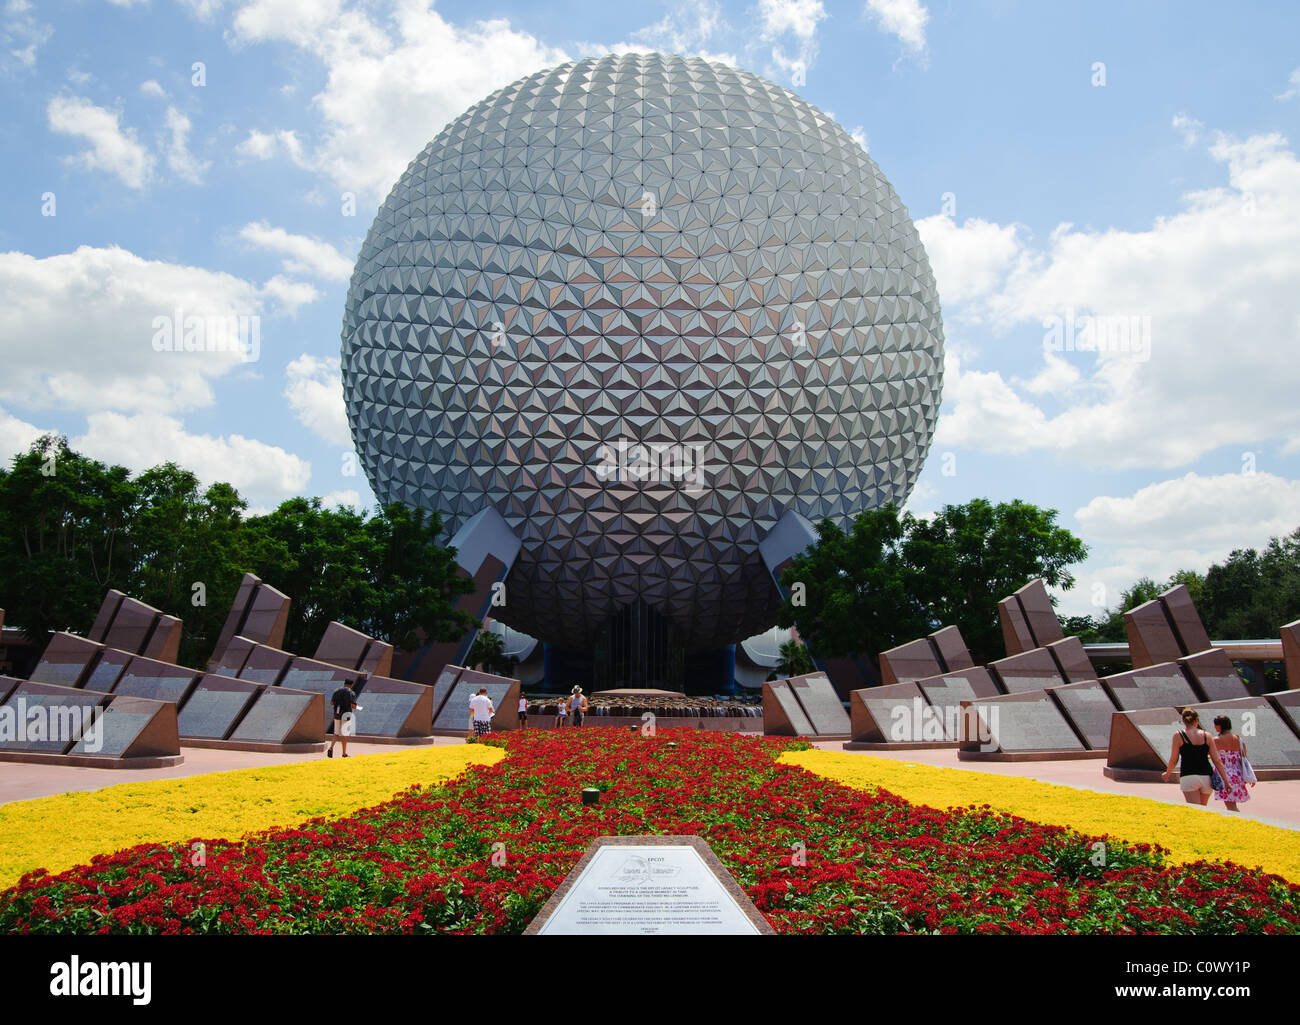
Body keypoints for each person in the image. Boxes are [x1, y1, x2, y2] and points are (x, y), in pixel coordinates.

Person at [1162, 708, 1230, 805]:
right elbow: (1217, 760)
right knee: (1203, 808)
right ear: (1196, 720)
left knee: (1195, 809)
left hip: (1188, 775)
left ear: (1183, 720)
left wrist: (1168, 773)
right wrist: (1226, 781)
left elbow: (1174, 759)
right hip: (1207, 776)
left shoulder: (1178, 735)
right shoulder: (1207, 735)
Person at [1211, 714, 1254, 811]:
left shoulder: (1216, 740)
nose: (1214, 727)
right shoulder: (1239, 740)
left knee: (1231, 806)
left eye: (1215, 725)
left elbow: (1211, 755)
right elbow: (1244, 758)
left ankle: (1240, 822)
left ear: (1219, 726)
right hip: (1237, 774)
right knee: (1231, 803)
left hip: (1224, 774)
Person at [327, 679, 361, 758]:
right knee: (344, 734)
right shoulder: (351, 693)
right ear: (351, 685)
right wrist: (359, 708)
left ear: (344, 683)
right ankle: (344, 753)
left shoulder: (336, 691)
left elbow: (331, 703)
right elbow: (353, 706)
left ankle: (331, 747)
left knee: (336, 733)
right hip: (346, 715)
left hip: (337, 714)